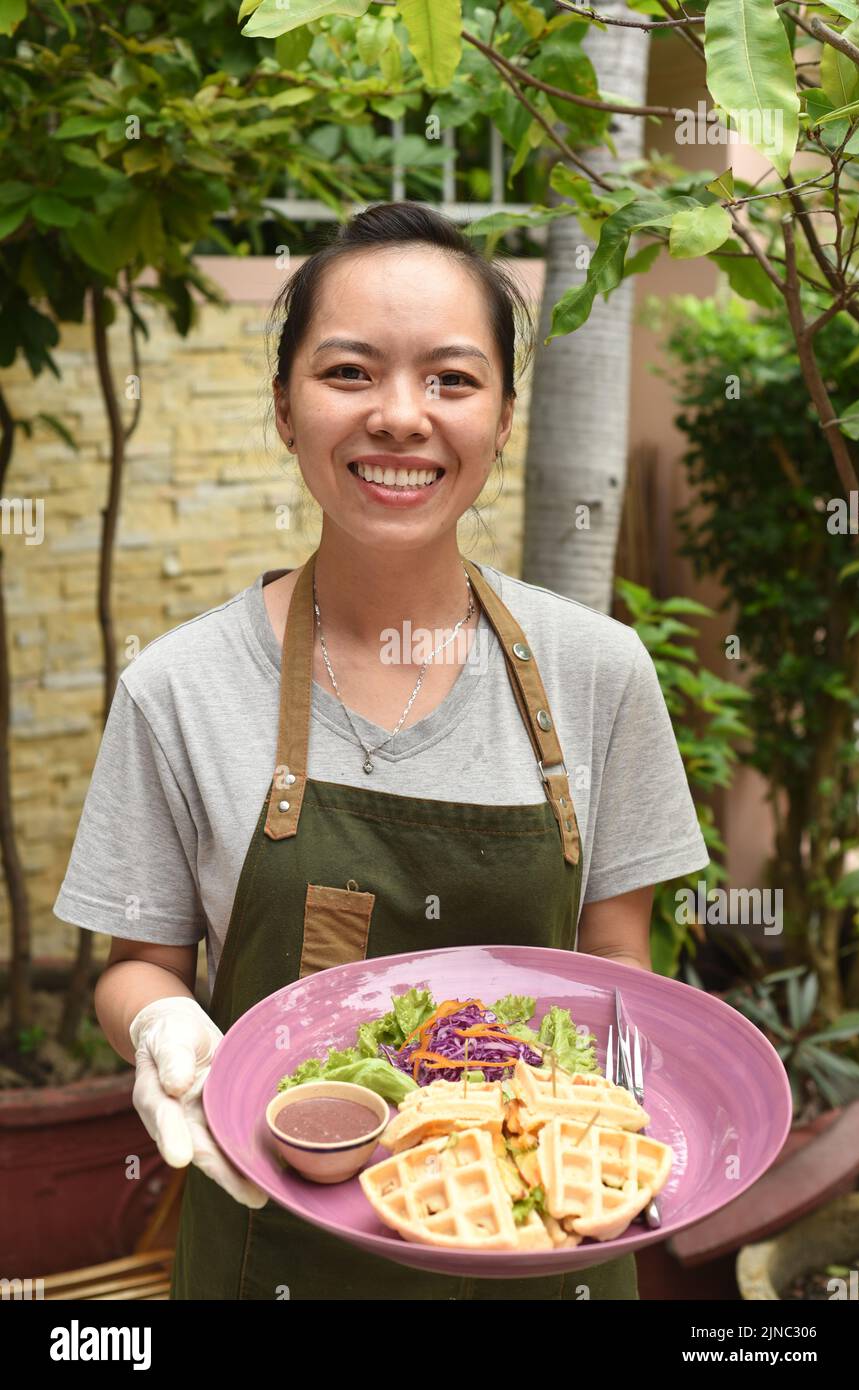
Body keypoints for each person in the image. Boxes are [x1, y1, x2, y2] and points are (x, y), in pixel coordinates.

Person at [53, 200, 710, 1300]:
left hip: (545, 1244)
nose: (402, 416)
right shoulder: (179, 685)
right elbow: (137, 964)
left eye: (453, 379)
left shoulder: (601, 673)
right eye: (350, 372)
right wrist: (161, 1027)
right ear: (283, 406)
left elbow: (616, 967)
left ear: (504, 417)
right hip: (271, 1248)